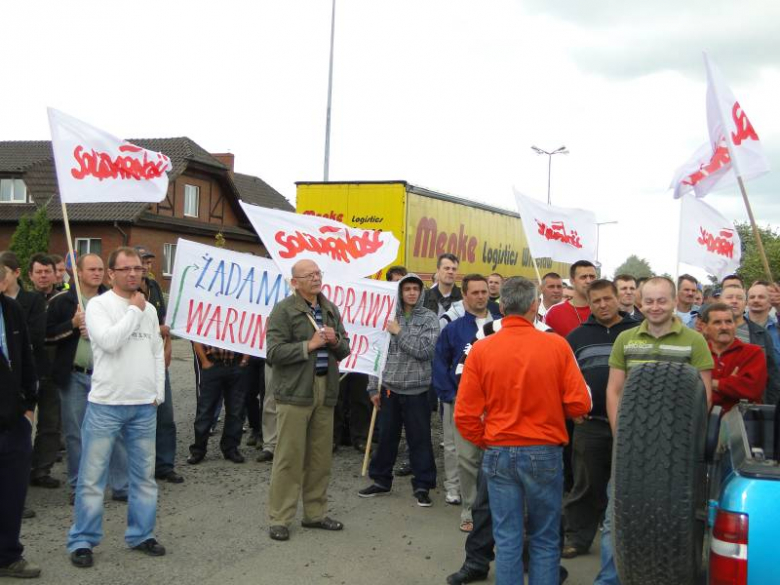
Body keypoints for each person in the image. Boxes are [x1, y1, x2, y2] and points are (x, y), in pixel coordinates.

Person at [455, 276, 592, 585]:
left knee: (507, 539)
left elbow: (465, 415)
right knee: (544, 538)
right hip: (544, 451)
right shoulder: (556, 345)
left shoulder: (482, 349)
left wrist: (489, 441)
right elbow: (580, 403)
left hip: (499, 450)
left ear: (501, 306)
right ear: (535, 305)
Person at [595, 276, 713, 585]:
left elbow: (705, 394)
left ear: (674, 302)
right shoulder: (626, 340)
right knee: (616, 518)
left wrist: (692, 442)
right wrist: (624, 437)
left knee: (678, 516)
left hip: (679, 452)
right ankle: (610, 580)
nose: (655, 306)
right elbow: (614, 392)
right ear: (639, 303)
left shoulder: (694, 340)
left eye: (662, 300)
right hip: (633, 447)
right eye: (649, 301)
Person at [67, 247, 166, 568]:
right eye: (126, 269)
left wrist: (158, 392)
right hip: (106, 404)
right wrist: (134, 311)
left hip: (143, 405)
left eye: (138, 268)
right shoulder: (98, 305)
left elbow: (154, 351)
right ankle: (83, 540)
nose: (134, 274)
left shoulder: (149, 309)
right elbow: (109, 342)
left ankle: (141, 533)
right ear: (112, 274)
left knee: (144, 477)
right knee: (92, 478)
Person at [265, 260, 350, 542]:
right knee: (289, 457)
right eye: (309, 275)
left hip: (325, 388)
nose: (316, 278)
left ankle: (315, 513)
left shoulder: (329, 308)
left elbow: (345, 348)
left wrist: (334, 340)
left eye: (318, 274)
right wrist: (309, 345)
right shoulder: (284, 310)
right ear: (295, 282)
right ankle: (280, 518)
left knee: (319, 457)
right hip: (295, 391)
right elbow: (274, 353)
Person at [562, 280, 639, 560]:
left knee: (631, 485)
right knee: (585, 484)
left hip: (632, 424)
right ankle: (577, 537)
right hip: (590, 424)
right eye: (596, 301)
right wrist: (571, 408)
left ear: (618, 298)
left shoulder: (638, 332)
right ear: (589, 304)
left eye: (608, 299)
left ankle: (630, 542)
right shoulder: (577, 336)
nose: (603, 305)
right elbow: (566, 377)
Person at [46, 254, 128, 504]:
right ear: (78, 272)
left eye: (101, 269)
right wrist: (72, 324)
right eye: (91, 269)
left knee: (115, 430)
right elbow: (45, 336)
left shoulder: (113, 301)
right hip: (75, 376)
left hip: (106, 376)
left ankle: (122, 484)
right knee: (76, 433)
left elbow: (124, 336)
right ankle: (80, 486)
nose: (97, 273)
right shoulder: (62, 301)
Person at [358, 273, 439, 506]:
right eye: (407, 289)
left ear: (421, 292)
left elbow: (425, 351)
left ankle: (423, 485)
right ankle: (381, 480)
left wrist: (399, 332)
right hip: (390, 389)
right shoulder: (387, 317)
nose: (411, 292)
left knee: (420, 439)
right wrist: (373, 387)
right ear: (400, 292)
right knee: (386, 438)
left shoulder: (429, 319)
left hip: (418, 390)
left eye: (415, 288)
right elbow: (376, 354)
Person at [434, 274, 497, 533]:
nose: (481, 296)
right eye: (476, 292)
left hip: (496, 403)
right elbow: (440, 363)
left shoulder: (502, 325)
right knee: (468, 458)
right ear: (465, 295)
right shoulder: (454, 329)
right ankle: (470, 508)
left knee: (495, 458)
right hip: (464, 402)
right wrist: (449, 395)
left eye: (485, 292)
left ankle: (496, 507)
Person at [0, 257, 41, 579]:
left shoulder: (11, 310)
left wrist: (29, 406)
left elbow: (26, 358)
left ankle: (9, 554)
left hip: (13, 419)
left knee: (13, 491)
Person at [135, 246, 183, 484]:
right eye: (142, 261)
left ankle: (165, 465)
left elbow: (165, 326)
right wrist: (158, 330)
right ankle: (140, 469)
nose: (146, 266)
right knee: (139, 418)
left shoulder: (153, 287)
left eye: (149, 262)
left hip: (157, 362)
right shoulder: (125, 293)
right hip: (134, 365)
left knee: (165, 416)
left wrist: (168, 349)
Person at [27, 253, 60, 489]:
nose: (43, 276)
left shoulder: (65, 300)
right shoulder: (22, 300)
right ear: (30, 275)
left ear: (54, 274)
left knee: (50, 422)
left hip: (53, 367)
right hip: (27, 367)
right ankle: (20, 468)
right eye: (38, 272)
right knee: (20, 423)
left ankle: (41, 469)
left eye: (47, 271)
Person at [188, 343, 249, 464]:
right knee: (205, 409)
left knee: (236, 409)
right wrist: (204, 361)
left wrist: (245, 359)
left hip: (236, 363)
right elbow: (196, 336)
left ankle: (231, 448)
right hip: (213, 363)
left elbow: (249, 332)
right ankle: (198, 450)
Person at [700, 303, 766, 412]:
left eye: (729, 321)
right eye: (717, 322)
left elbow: (752, 390)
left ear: (735, 325)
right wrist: (731, 384)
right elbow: (689, 391)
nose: (724, 327)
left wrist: (710, 383)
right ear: (704, 327)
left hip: (743, 424)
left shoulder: (753, 353)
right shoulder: (698, 354)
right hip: (703, 423)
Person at [722, 284, 780, 405]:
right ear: (720, 301)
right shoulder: (708, 333)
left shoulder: (761, 334)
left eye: (739, 298)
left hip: (752, 408)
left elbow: (772, 375)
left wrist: (770, 408)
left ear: (745, 303)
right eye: (729, 297)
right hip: (719, 404)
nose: (734, 301)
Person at [544, 261, 597, 337]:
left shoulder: (605, 309)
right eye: (583, 277)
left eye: (592, 277)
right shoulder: (554, 313)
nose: (588, 281)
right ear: (572, 281)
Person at [747, 281, 780, 366]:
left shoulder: (777, 328)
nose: (756, 300)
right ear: (747, 301)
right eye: (752, 297)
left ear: (770, 302)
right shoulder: (735, 326)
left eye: (761, 297)